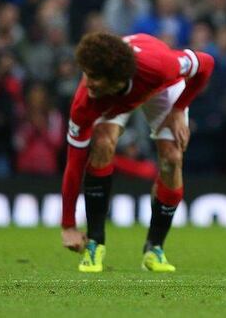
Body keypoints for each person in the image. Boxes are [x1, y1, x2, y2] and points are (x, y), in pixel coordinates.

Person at [60, 32, 214, 273]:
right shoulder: (86, 101)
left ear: (114, 77)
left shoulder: (161, 67)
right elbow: (74, 163)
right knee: (101, 143)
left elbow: (206, 63)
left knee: (172, 159)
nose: (87, 82)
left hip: (159, 88)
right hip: (121, 93)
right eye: (86, 73)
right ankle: (95, 242)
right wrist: (68, 225)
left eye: (94, 76)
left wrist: (179, 107)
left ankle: (154, 249)